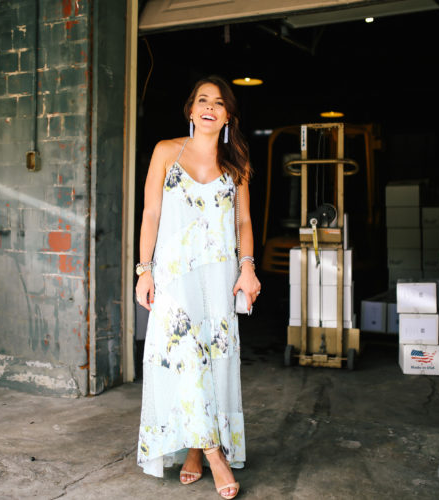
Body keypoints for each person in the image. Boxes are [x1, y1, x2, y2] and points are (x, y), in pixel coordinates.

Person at [136, 75, 261, 499]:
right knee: (186, 357)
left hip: (219, 277)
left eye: (220, 103)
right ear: (191, 110)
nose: (210, 107)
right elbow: (151, 212)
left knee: (213, 359)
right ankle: (214, 455)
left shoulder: (236, 162)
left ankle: (194, 449)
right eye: (203, 100)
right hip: (174, 277)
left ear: (228, 116)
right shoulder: (166, 152)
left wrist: (248, 269)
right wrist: (144, 269)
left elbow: (243, 221)